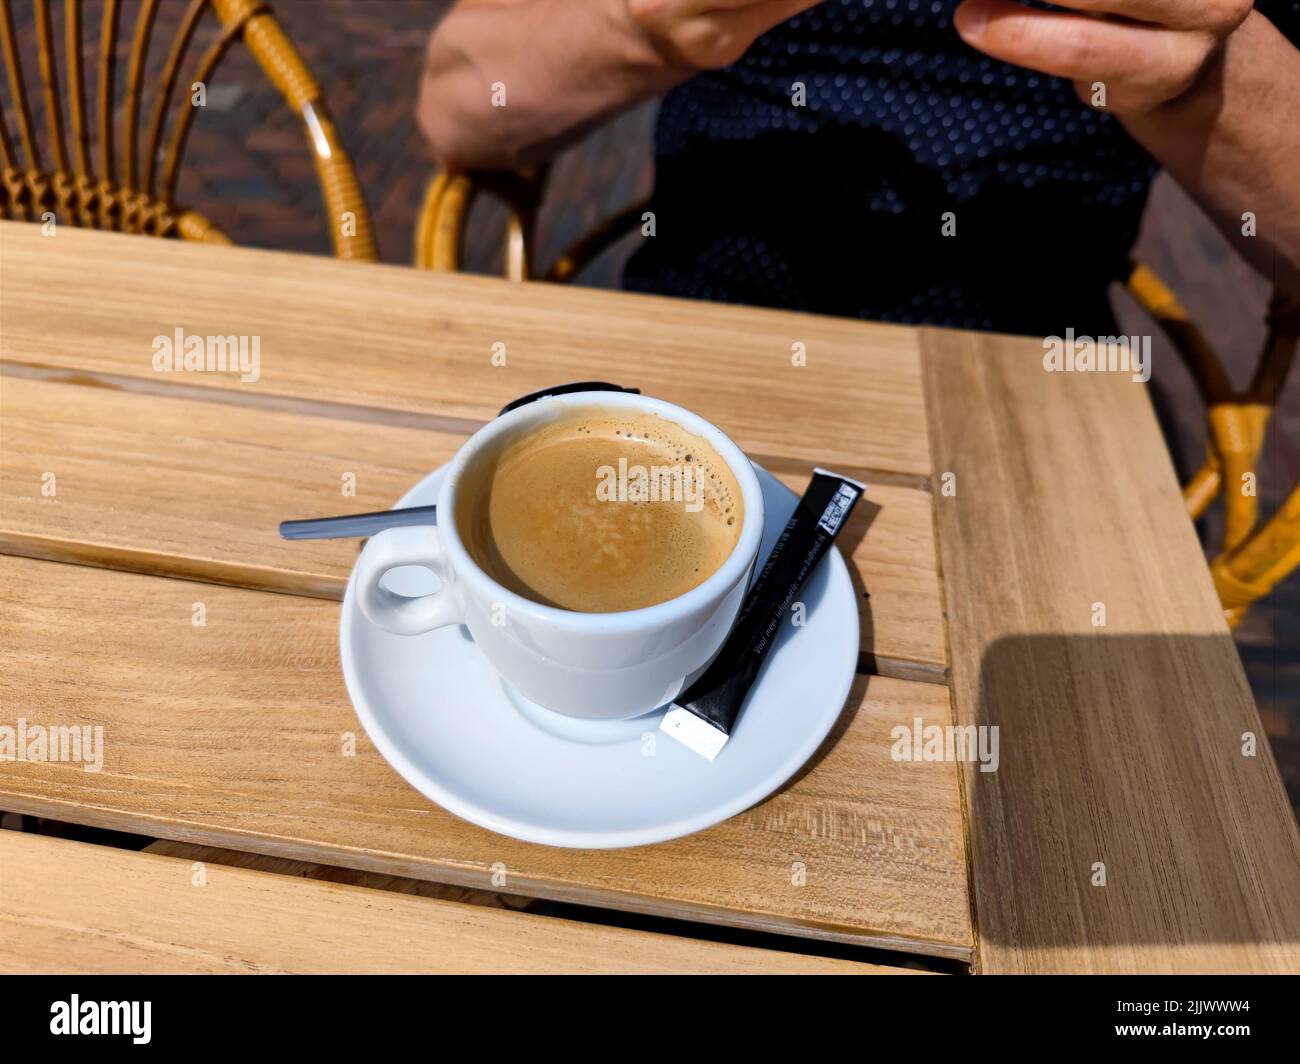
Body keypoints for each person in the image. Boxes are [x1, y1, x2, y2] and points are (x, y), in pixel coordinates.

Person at [417, 1, 1300, 335]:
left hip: (1031, 374)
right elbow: (460, 113)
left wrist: (1195, 74)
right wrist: (636, 23)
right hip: (699, 333)